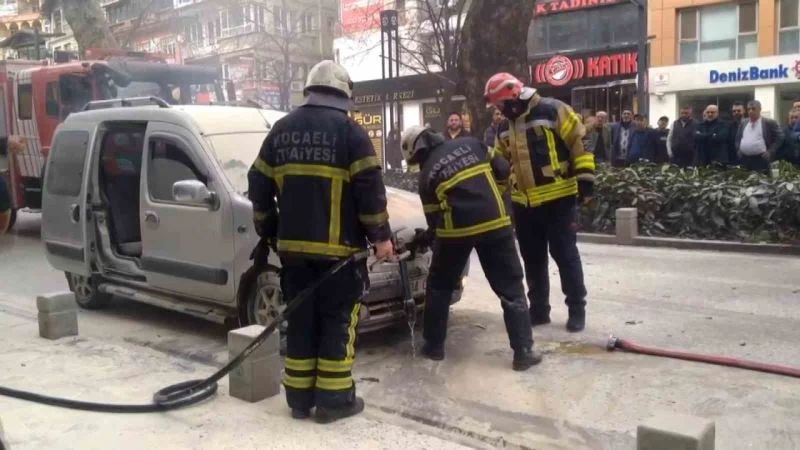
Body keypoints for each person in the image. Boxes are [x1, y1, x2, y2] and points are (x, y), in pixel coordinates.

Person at [247, 60, 394, 423]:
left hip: (294, 254)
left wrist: (269, 227)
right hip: (339, 255)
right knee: (336, 322)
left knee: (300, 321)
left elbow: (258, 183)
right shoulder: (351, 133)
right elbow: (370, 191)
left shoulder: (281, 130)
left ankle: (298, 400)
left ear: (309, 91)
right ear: (344, 94)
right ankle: (334, 402)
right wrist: (381, 238)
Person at [399, 125, 542, 370]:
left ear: (416, 153)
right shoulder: (473, 144)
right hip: (496, 223)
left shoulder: (426, 176)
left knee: (440, 287)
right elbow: (503, 168)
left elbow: (434, 223)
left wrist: (424, 240)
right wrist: (494, 195)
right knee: (511, 289)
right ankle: (523, 352)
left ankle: (434, 347)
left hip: (456, 232)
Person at [483, 72, 594, 332]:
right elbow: (501, 166)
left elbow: (581, 143)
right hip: (524, 204)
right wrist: (494, 198)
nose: (499, 111)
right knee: (532, 260)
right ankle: (539, 310)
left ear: (514, 97)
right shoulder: (504, 127)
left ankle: (577, 309)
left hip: (559, 199)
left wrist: (586, 180)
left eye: (500, 105)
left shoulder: (554, 110)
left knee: (565, 256)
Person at [734, 100, 784, 175]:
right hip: (744, 159)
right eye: (749, 109)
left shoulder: (768, 122)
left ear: (759, 109)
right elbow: (738, 138)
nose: (750, 111)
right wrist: (738, 150)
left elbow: (780, 136)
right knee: (745, 182)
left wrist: (771, 151)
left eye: (753, 109)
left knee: (761, 182)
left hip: (761, 160)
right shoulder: (744, 123)